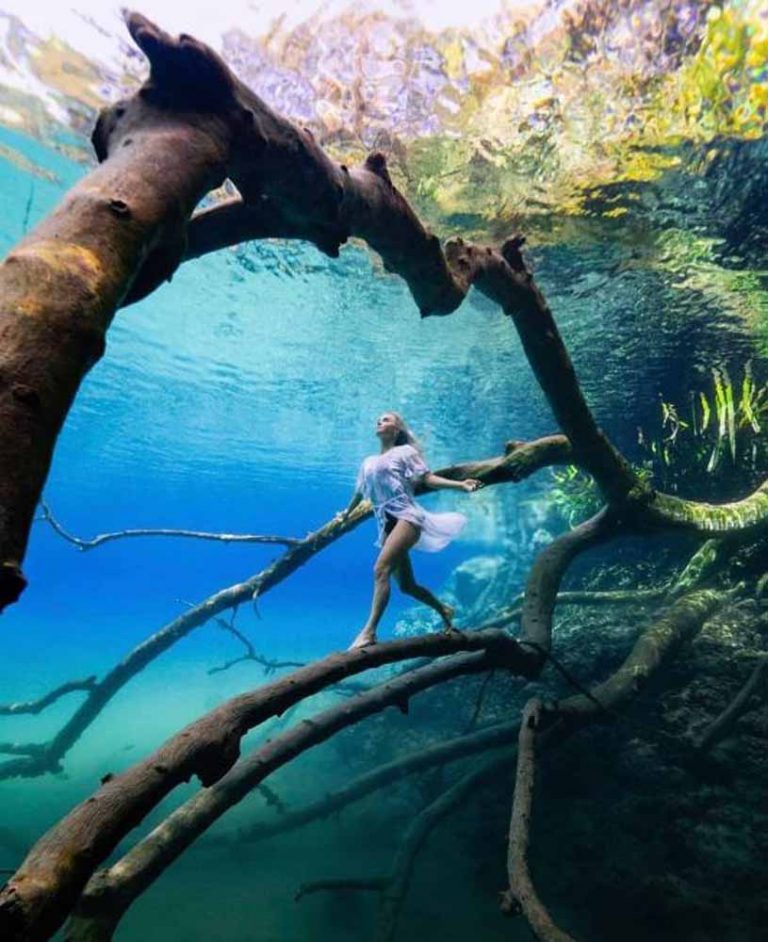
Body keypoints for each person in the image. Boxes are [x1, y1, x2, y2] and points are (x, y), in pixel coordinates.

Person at [337, 412, 483, 649]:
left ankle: (369, 632)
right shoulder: (368, 462)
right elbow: (359, 494)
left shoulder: (405, 452)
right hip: (386, 525)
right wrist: (345, 515)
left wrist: (461, 485)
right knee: (406, 586)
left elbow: (428, 479)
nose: (379, 421)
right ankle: (444, 608)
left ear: (397, 430)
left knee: (380, 570)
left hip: (407, 518)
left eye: (386, 419)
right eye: (378, 419)